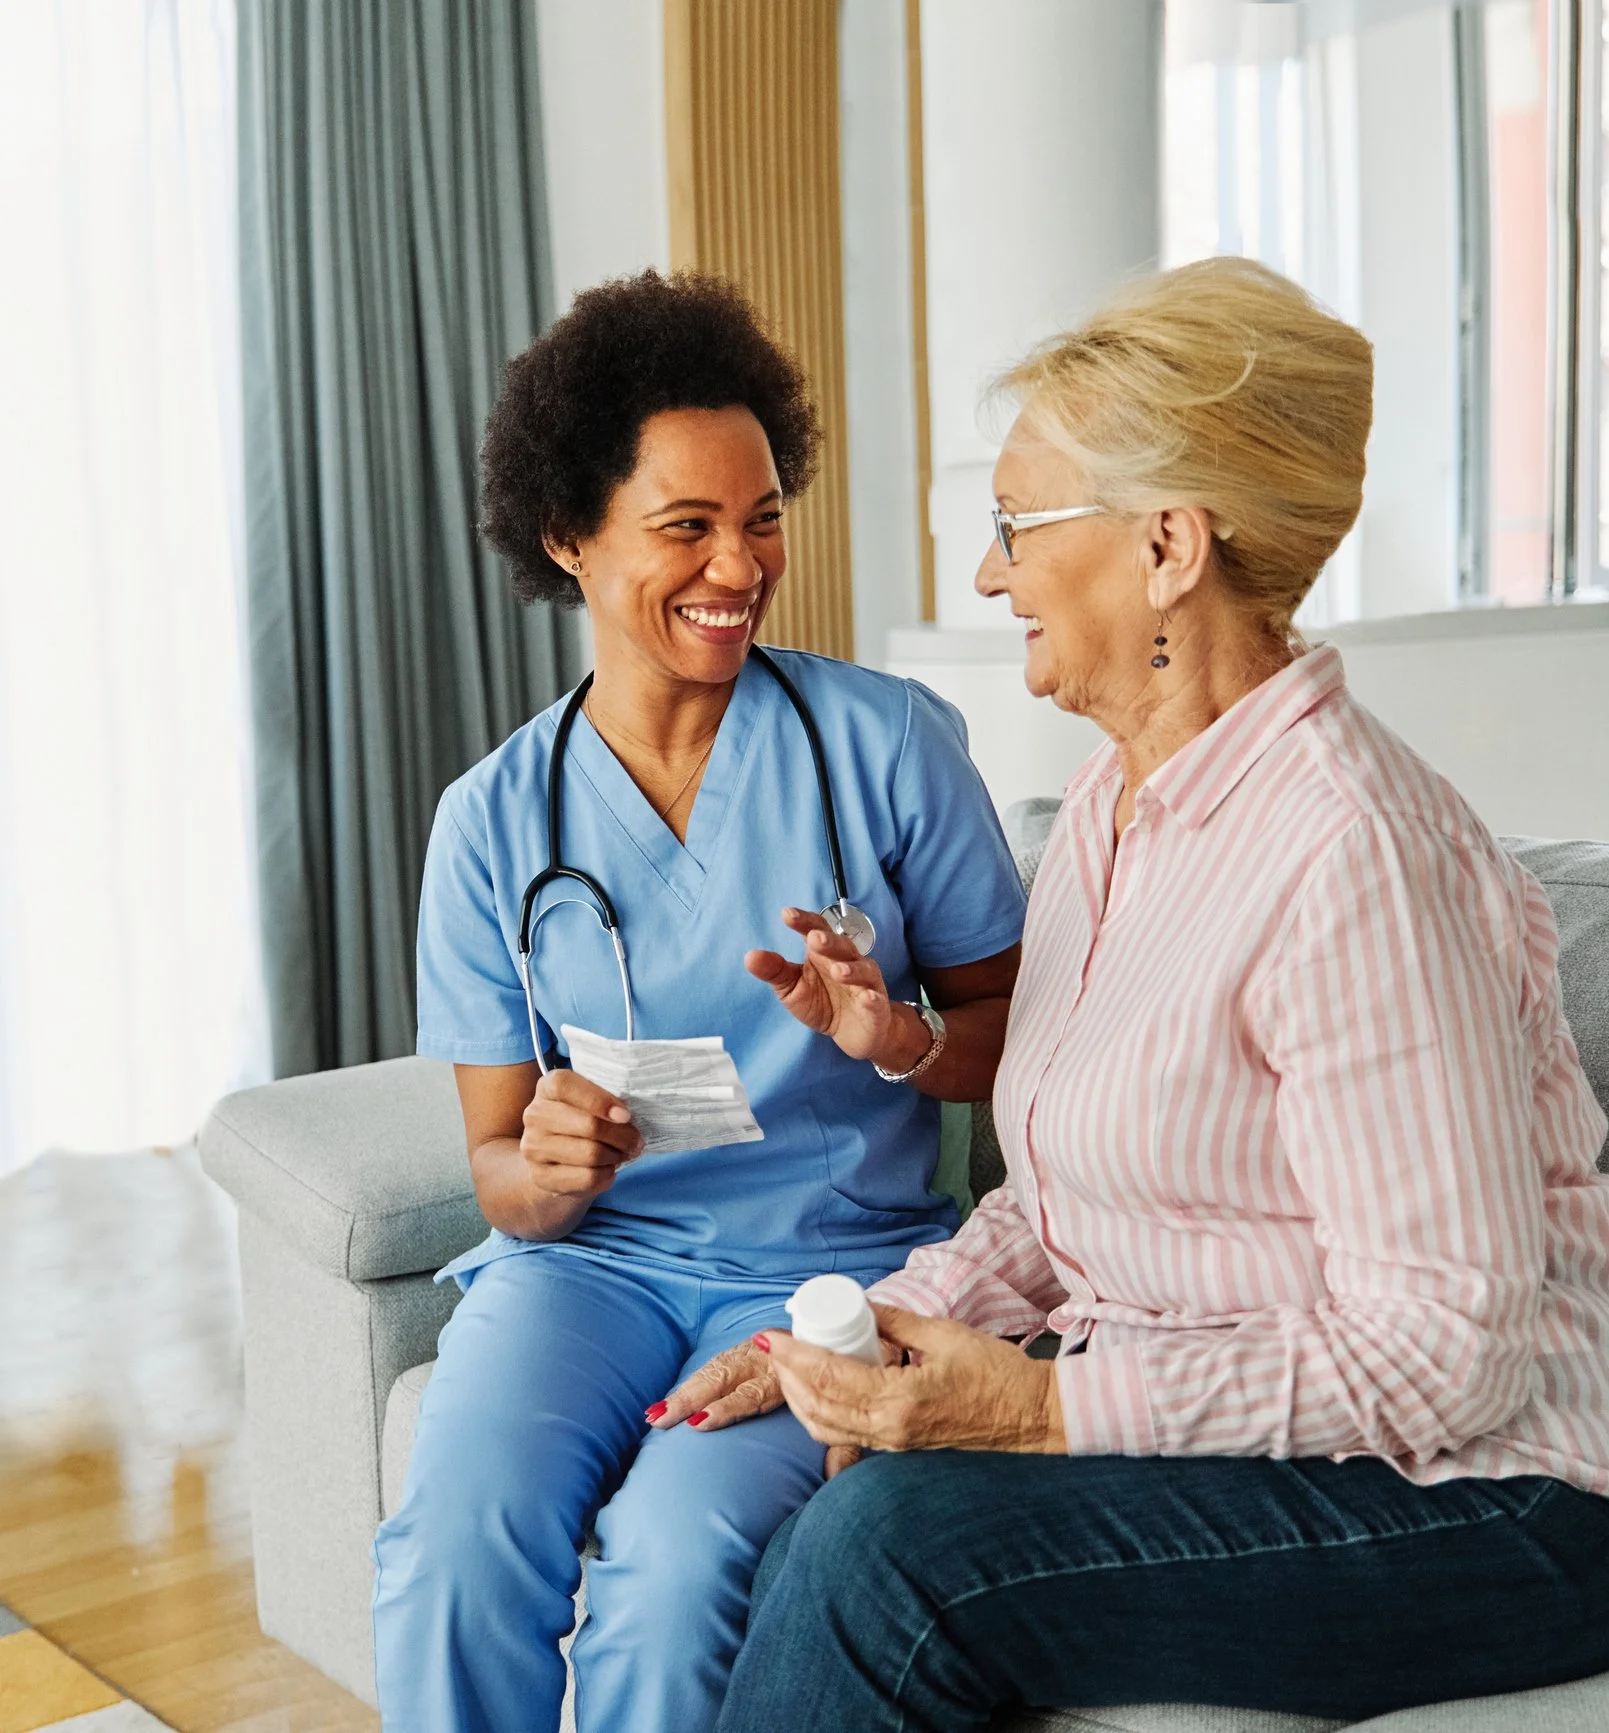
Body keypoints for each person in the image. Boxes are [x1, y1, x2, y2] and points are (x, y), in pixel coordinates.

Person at [701, 257, 1609, 1732]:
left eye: (1013, 527)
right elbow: (1074, 1203)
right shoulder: (1109, 821)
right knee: (819, 1516)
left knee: (889, 1560)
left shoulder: (1352, 852)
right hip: (1320, 1451)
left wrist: (1047, 1409)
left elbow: (1448, 1350)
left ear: (1169, 543)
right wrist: (865, 1325)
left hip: (1524, 1500)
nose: (990, 576)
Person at [369, 270, 1026, 1733]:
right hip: (583, 1275)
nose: (741, 563)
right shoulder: (490, 822)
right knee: (456, 1539)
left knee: (675, 1568)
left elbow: (1027, 1045)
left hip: (822, 1263)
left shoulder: (891, 748)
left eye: (765, 516)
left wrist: (902, 1040)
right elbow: (498, 1173)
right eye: (688, 526)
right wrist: (540, 1173)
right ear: (568, 537)